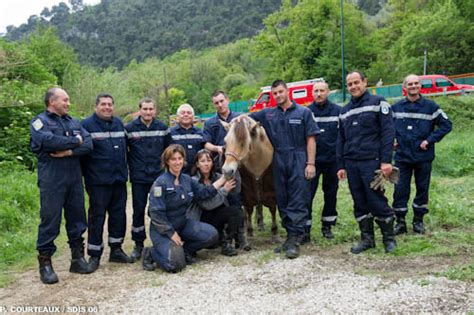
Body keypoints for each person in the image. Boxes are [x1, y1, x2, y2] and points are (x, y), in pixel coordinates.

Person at [30, 87, 93, 284]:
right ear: (52, 101)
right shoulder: (39, 122)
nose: (68, 103)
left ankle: (77, 259)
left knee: (77, 218)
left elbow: (89, 144)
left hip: (74, 179)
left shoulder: (73, 121)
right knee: (50, 221)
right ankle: (45, 264)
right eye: (64, 100)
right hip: (52, 181)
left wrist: (69, 152)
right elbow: (48, 141)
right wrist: (75, 140)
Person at [250, 80, 319, 259]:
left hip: (298, 157)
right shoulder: (268, 114)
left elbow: (311, 139)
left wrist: (310, 164)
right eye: (275, 93)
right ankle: (289, 237)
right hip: (279, 159)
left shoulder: (304, 112)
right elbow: (248, 118)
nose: (278, 95)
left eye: (281, 92)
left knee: (297, 198)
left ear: (287, 91)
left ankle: (295, 240)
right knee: (282, 198)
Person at [336, 71, 396, 254]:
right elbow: (340, 139)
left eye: (356, 82)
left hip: (373, 162)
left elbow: (388, 132)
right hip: (352, 163)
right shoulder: (344, 111)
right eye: (350, 84)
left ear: (364, 82)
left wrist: (386, 161)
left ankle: (389, 239)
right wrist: (340, 165)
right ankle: (367, 239)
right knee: (359, 201)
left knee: (376, 198)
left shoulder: (379, 103)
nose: (353, 87)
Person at [141, 144, 224, 273]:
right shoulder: (160, 183)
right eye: (173, 159)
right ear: (167, 161)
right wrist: (171, 233)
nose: (177, 162)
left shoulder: (187, 180)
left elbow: (204, 193)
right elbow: (156, 214)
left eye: (180, 158)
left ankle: (183, 252)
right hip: (162, 230)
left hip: (182, 224)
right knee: (175, 265)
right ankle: (151, 253)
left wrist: (223, 179)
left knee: (211, 235)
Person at [391, 74, 452, 234]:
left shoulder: (431, 107)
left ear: (420, 86)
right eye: (410, 84)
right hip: (402, 157)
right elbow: (386, 128)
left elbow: (447, 125)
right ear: (405, 87)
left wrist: (430, 140)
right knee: (400, 189)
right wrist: (392, 140)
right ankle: (400, 222)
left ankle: (418, 221)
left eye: (416, 83)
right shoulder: (396, 108)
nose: (413, 86)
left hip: (423, 157)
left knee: (422, 188)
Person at [81, 93, 133, 272]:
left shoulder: (119, 123)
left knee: (119, 215)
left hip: (119, 179)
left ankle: (116, 249)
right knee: (97, 217)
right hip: (98, 181)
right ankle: (94, 254)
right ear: (96, 106)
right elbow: (82, 153)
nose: (107, 107)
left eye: (110, 104)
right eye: (103, 104)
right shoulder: (86, 125)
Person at [125, 97, 171, 261]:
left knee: (158, 210)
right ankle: (138, 244)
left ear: (155, 111)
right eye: (145, 109)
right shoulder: (129, 129)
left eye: (151, 109)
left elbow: (169, 152)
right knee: (138, 211)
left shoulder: (163, 128)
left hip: (158, 178)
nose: (148, 112)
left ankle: (162, 241)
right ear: (140, 110)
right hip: (139, 178)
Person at [190, 149, 241, 256]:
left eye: (209, 160)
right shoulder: (193, 181)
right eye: (202, 161)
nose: (206, 164)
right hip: (202, 221)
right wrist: (224, 190)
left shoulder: (218, 176)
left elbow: (236, 190)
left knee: (235, 211)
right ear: (197, 164)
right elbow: (207, 205)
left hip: (217, 219)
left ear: (213, 163)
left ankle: (226, 243)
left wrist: (233, 167)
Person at [307, 81, 341, 240]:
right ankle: (305, 228)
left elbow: (343, 137)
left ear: (328, 92)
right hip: (312, 162)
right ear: (312, 93)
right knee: (307, 195)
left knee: (331, 194)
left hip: (331, 161)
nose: (318, 94)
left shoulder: (338, 111)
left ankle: (327, 226)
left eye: (321, 91)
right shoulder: (306, 112)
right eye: (316, 91)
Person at [203, 90, 240, 170]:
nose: (220, 105)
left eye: (222, 101)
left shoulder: (239, 119)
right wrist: (217, 148)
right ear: (214, 105)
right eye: (216, 103)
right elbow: (206, 144)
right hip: (219, 162)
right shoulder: (209, 123)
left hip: (239, 161)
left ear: (227, 100)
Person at [170, 103, 205, 174]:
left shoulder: (200, 133)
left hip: (197, 175)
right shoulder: (170, 133)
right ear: (177, 117)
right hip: (177, 175)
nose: (186, 115)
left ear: (193, 117)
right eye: (183, 113)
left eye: (189, 113)